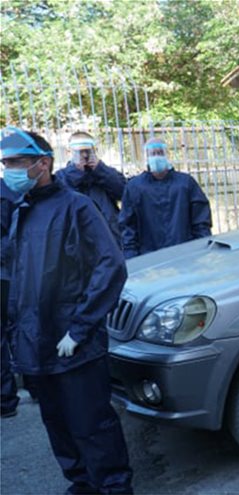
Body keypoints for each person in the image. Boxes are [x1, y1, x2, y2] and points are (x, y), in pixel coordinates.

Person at [1, 127, 133, 493]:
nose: (8, 171)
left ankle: (113, 487)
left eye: (16, 163)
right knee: (57, 424)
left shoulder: (76, 207)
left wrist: (79, 328)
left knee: (92, 425)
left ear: (43, 163)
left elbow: (110, 266)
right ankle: (82, 484)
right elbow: (21, 278)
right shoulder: (22, 210)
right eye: (5, 163)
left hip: (75, 345)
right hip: (37, 343)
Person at [119, 137, 212, 258]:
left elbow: (201, 221)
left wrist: (201, 249)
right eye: (153, 154)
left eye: (160, 153)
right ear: (146, 158)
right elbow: (128, 226)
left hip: (185, 254)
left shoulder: (185, 184)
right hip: (149, 257)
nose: (157, 157)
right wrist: (132, 258)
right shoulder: (134, 187)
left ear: (167, 155)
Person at [55, 132, 127, 243]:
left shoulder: (105, 172)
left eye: (88, 151)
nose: (85, 155)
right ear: (69, 152)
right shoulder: (61, 177)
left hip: (110, 237)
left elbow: (124, 193)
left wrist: (100, 170)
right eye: (80, 151)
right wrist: (76, 172)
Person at [1, 180, 20, 418]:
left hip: (8, 273)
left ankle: (6, 399)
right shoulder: (8, 191)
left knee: (18, 329)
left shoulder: (7, 192)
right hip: (9, 271)